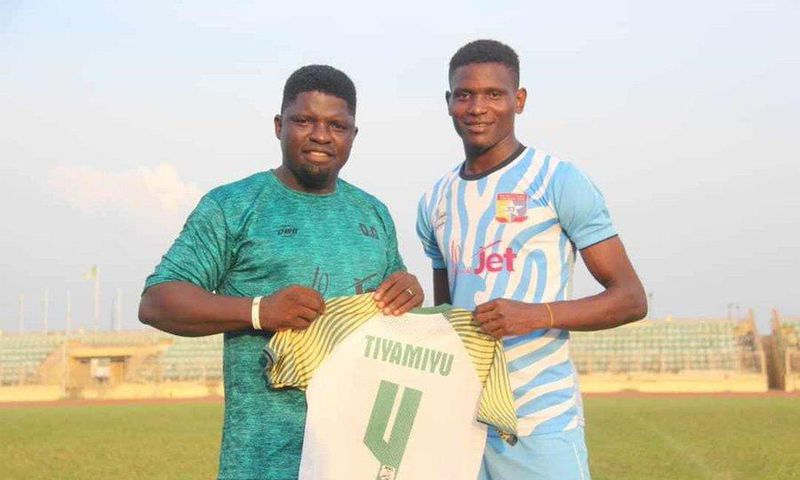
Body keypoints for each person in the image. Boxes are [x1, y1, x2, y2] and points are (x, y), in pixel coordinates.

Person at [139, 64, 423, 480]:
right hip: (266, 463)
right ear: (278, 126)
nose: (321, 135)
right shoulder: (234, 205)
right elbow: (157, 302)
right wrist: (260, 311)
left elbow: (394, 321)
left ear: (353, 135)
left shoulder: (373, 212)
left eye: (337, 125)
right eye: (304, 120)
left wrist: (409, 292)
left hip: (359, 460)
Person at [416, 39, 647, 479]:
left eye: (494, 94)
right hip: (462, 427)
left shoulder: (557, 181)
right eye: (464, 95)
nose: (477, 108)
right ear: (448, 102)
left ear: (518, 100)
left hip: (540, 423)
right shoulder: (435, 201)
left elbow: (631, 299)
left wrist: (536, 315)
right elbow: (448, 316)